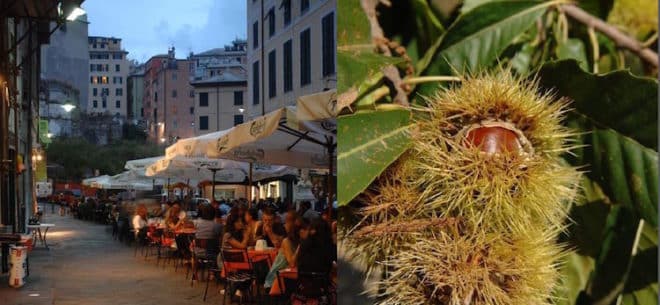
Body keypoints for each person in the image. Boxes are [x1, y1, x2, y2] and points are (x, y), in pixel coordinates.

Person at [264, 215, 308, 289]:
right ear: (299, 231)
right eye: (306, 229)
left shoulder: (299, 242)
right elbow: (292, 264)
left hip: (288, 278)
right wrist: (301, 244)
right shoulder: (286, 241)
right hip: (276, 281)